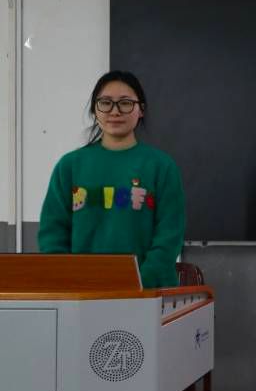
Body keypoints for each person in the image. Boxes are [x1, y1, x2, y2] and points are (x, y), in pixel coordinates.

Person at [38, 70, 185, 288]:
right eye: (105, 103)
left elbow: (169, 235)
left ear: (141, 110)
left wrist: (140, 283)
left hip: (147, 293)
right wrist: (70, 281)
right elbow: (53, 235)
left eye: (125, 103)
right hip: (80, 293)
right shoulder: (69, 166)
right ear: (94, 110)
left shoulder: (162, 167)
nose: (115, 111)